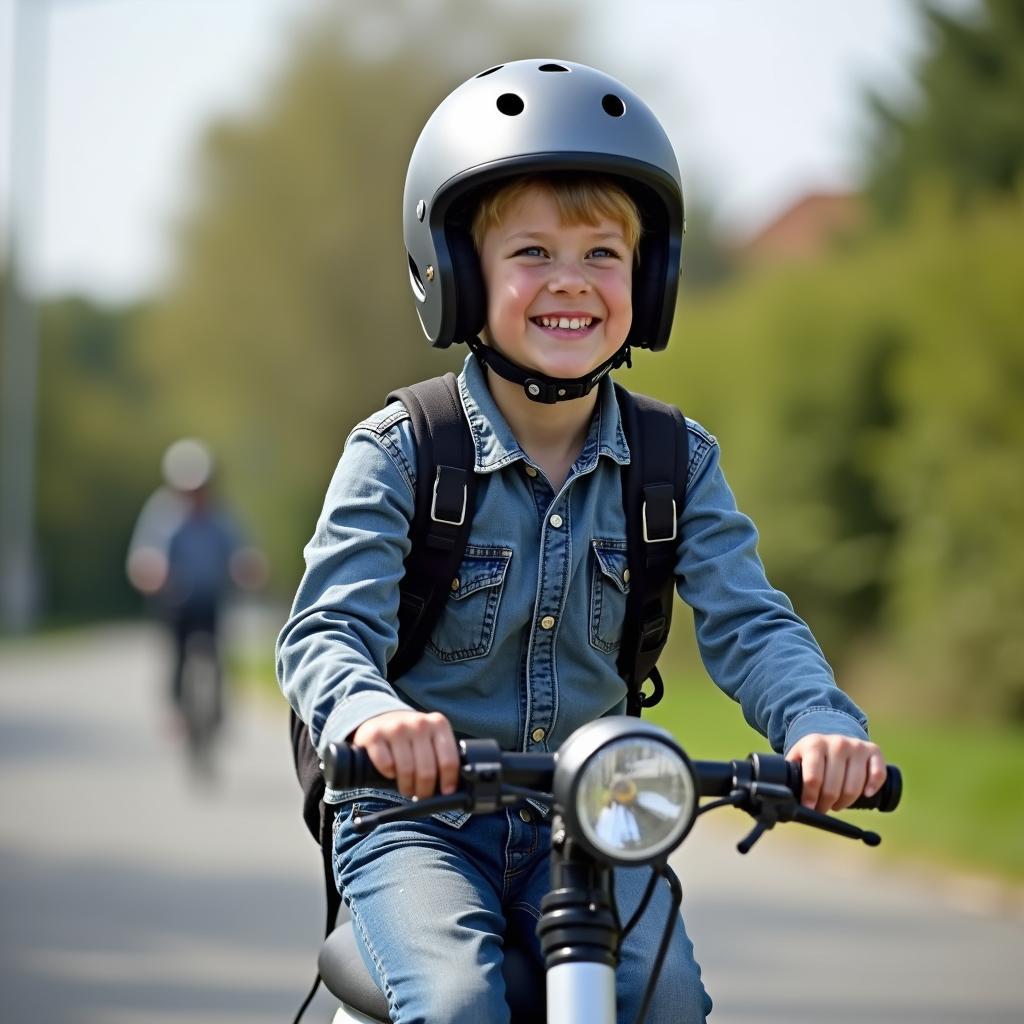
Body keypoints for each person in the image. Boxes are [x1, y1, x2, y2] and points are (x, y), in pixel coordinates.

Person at [276, 59, 887, 1024]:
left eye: (604, 253)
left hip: (599, 819)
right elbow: (322, 634)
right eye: (531, 253)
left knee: (668, 1001)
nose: (572, 284)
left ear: (652, 275)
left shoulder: (673, 462)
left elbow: (751, 622)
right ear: (460, 272)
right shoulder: (402, 451)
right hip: (417, 824)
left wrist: (821, 727)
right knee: (455, 999)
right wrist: (369, 719)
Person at [128, 438, 266, 730]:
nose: (196, 494)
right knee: (177, 656)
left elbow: (240, 550)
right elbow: (145, 553)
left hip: (211, 597)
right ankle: (178, 711)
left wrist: (247, 566)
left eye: (201, 487)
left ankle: (216, 712)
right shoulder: (162, 512)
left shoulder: (221, 514)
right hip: (175, 599)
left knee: (217, 655)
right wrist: (150, 570)